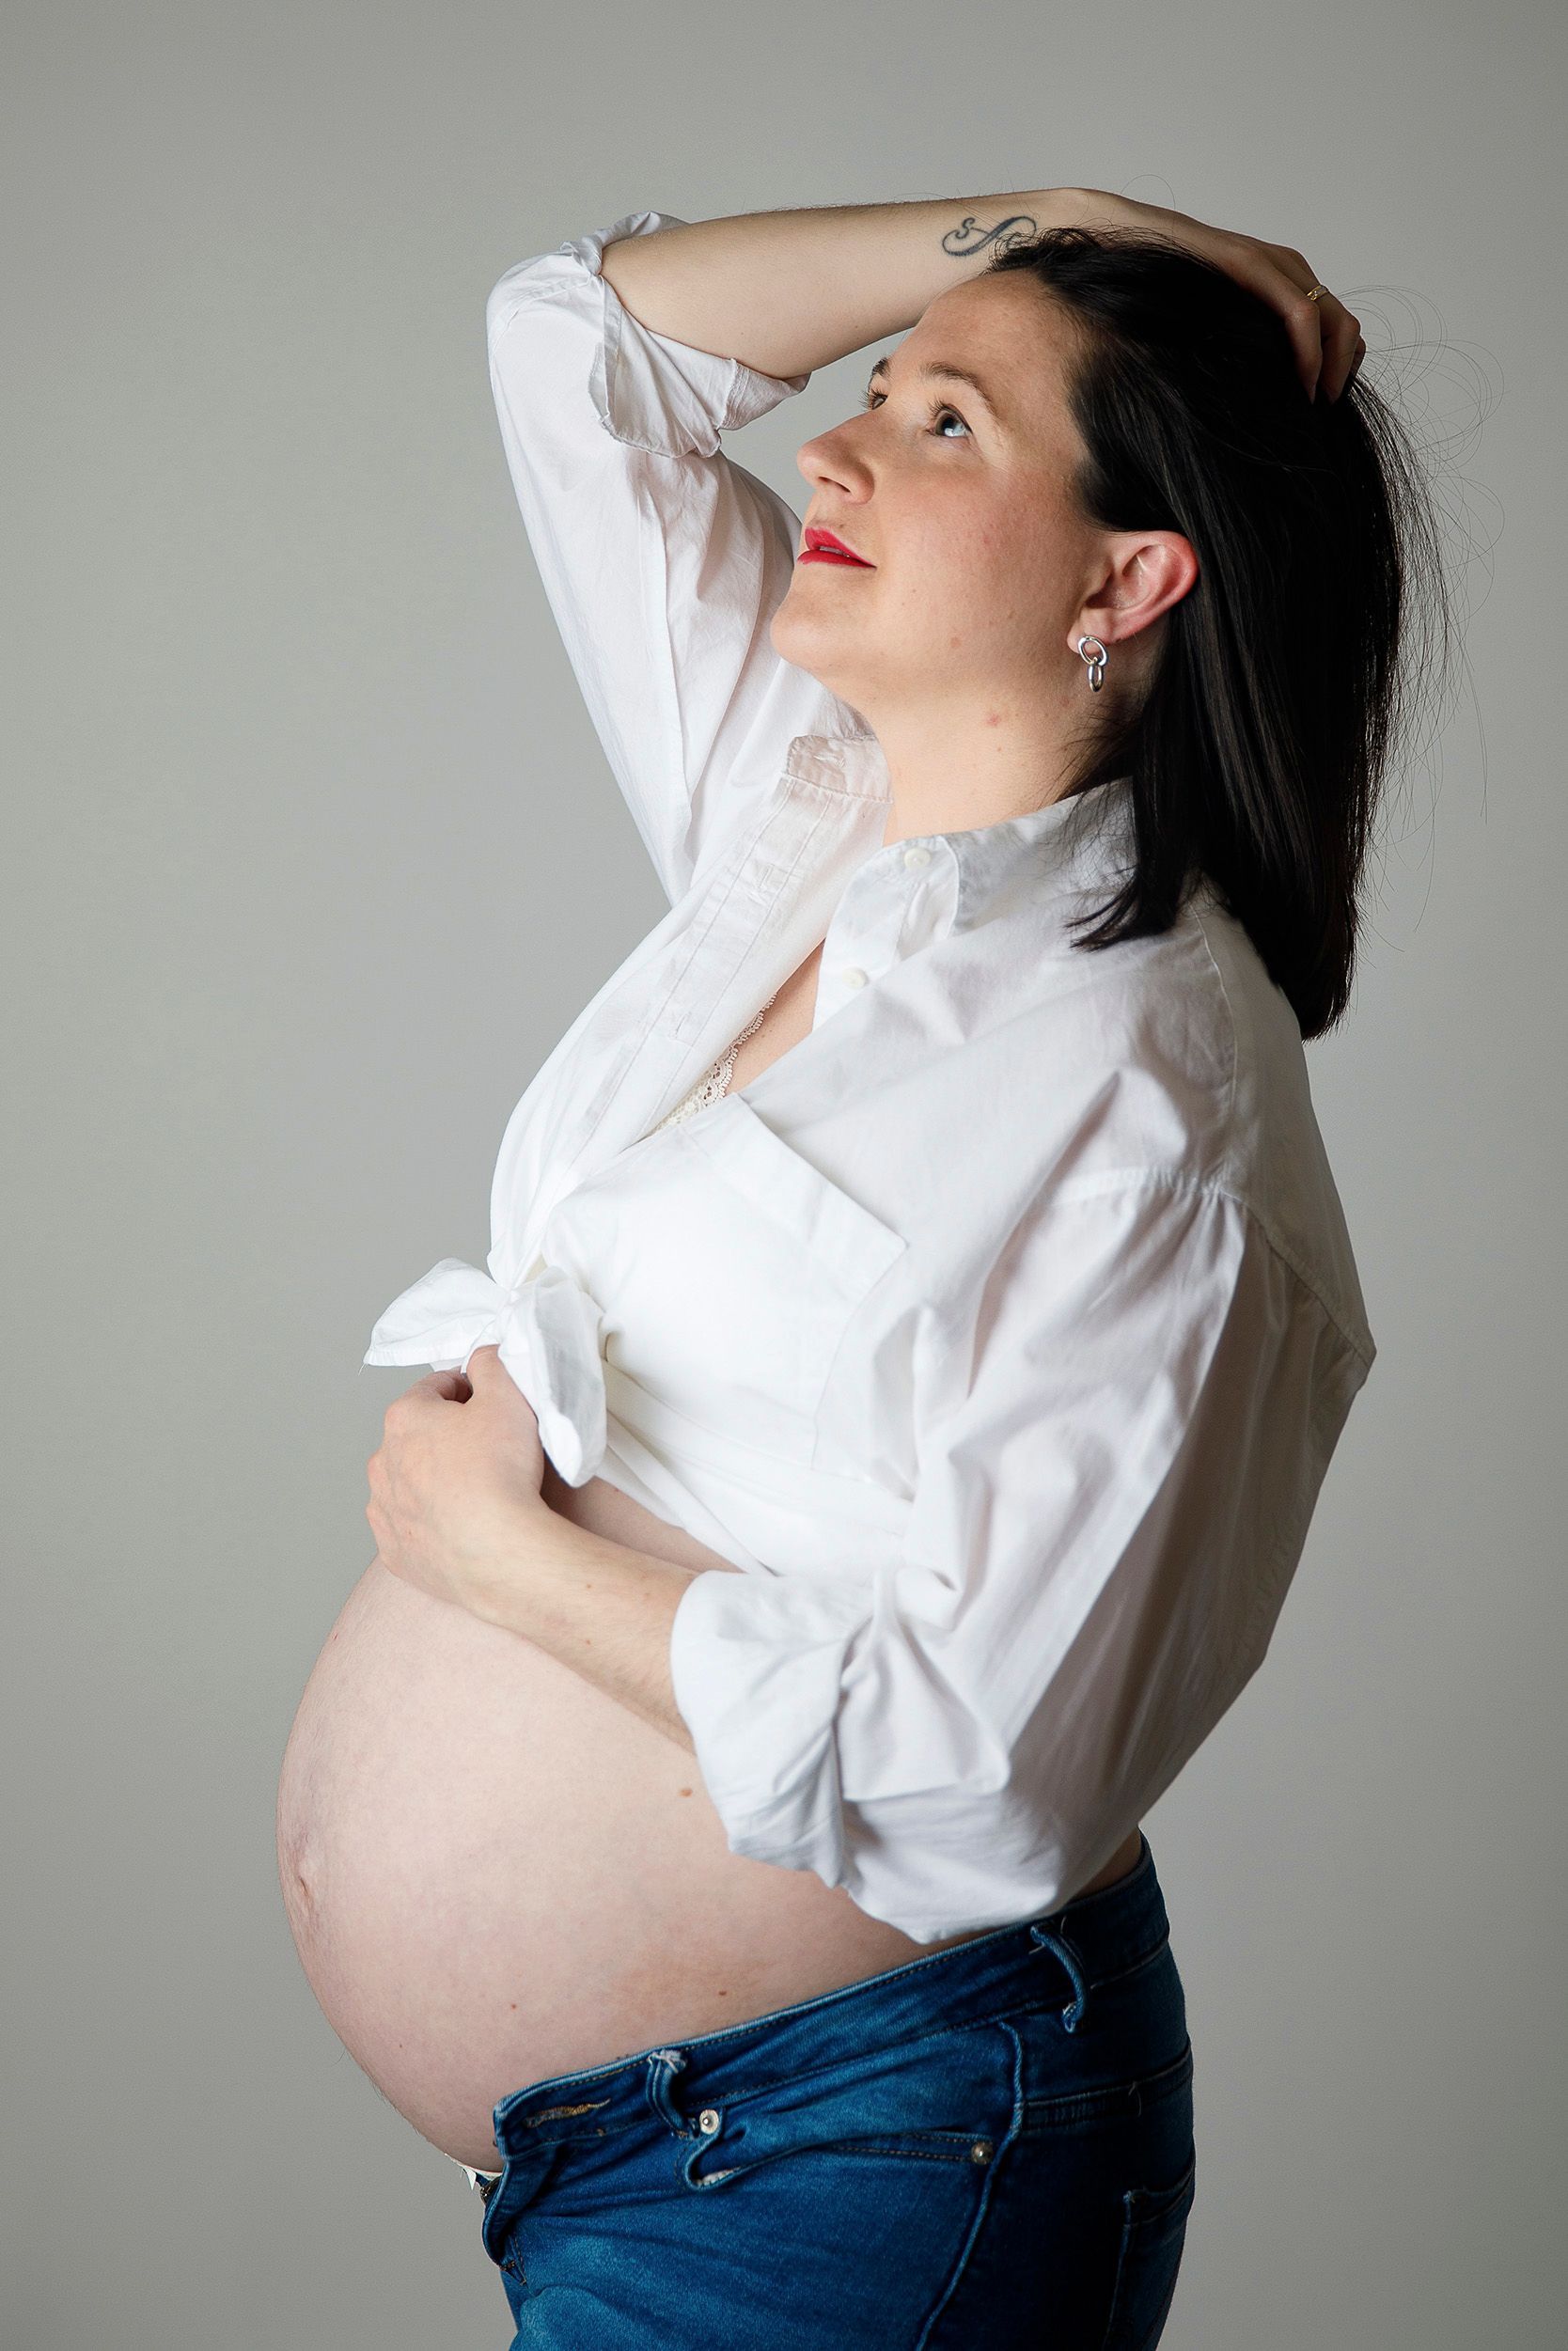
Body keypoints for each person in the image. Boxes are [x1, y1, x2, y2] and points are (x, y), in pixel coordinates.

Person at [339, 184, 1445, 2345]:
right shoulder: (813, 814)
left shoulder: (1158, 1094)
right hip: (699, 2152)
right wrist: (1076, 218)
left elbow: (993, 1773)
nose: (831, 454)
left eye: (945, 425)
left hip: (855, 2164)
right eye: (872, 393)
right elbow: (582, 350)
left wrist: (503, 1571)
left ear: (1131, 577)